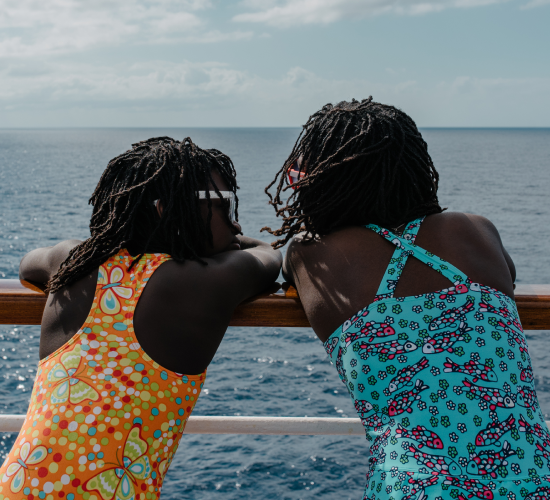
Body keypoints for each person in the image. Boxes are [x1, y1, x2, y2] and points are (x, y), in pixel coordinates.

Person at [263, 98, 550, 499]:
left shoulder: (310, 255)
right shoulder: (475, 231)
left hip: (414, 488)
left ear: (320, 186)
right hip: (532, 479)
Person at [1, 136, 281, 500]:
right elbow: (268, 258)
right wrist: (236, 242)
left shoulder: (71, 260)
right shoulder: (204, 282)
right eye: (224, 205)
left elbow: (28, 265)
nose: (235, 222)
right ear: (167, 209)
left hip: (19, 484)